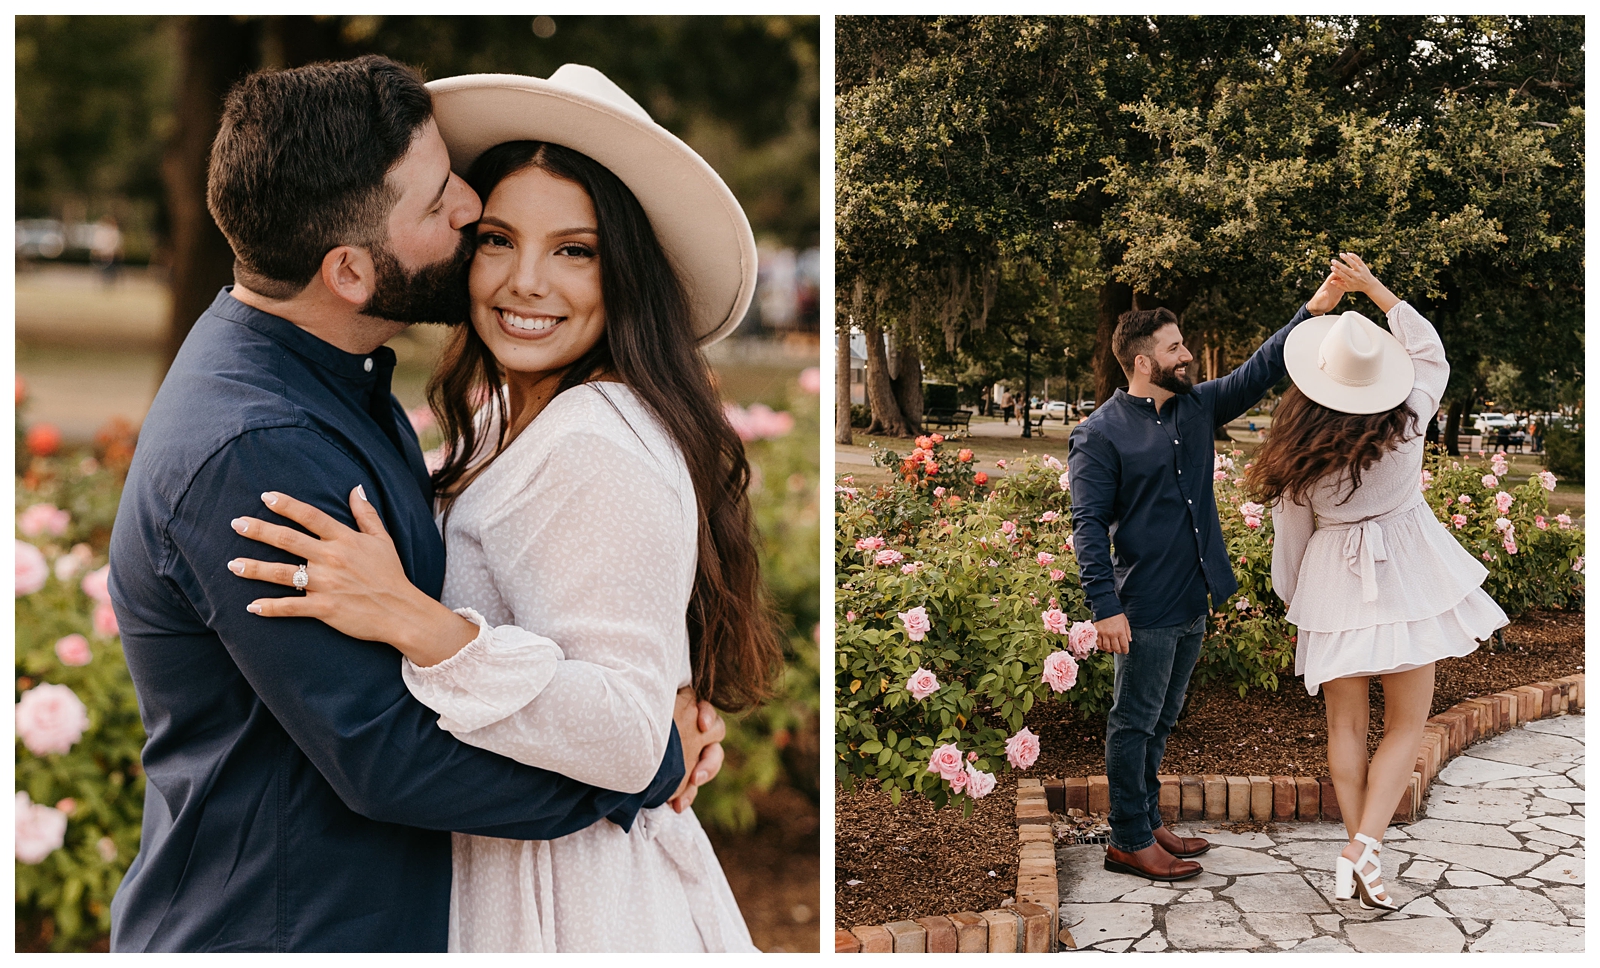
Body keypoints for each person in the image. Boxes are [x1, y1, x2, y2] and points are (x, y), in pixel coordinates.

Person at [106, 57, 724, 953]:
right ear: (352, 272)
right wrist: (645, 762)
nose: (468, 208)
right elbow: (391, 755)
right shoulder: (260, 451)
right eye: (441, 204)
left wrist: (644, 697)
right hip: (285, 927)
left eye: (574, 248)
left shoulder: (338, 382)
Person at [1249, 253, 1508, 910]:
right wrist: (1375, 291)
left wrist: (1295, 598)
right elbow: (1430, 352)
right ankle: (1363, 850)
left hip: (1332, 578)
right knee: (1405, 725)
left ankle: (1359, 848)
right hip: (1405, 574)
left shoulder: (1297, 448)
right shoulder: (1411, 418)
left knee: (1344, 726)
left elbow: (1292, 538)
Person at [1068, 275, 1345, 882]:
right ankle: (1128, 840)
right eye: (1174, 348)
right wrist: (1104, 607)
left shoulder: (1197, 406)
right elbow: (1087, 525)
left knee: (1163, 719)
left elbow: (1261, 368)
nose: (1187, 355)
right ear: (1143, 362)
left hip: (1196, 594)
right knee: (1133, 720)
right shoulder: (1099, 434)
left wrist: (1313, 309)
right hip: (1143, 604)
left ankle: (1146, 820)